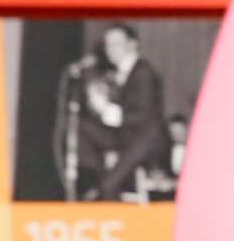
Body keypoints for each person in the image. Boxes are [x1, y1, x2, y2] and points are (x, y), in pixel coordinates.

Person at [52, 20, 174, 204]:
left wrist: (110, 111)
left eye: (116, 43)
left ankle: (107, 188)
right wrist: (99, 104)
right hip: (126, 136)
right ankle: (97, 176)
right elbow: (113, 115)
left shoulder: (143, 72)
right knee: (79, 125)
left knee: (110, 185)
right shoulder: (118, 74)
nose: (110, 49)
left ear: (132, 45)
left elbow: (144, 115)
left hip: (146, 139)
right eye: (107, 44)